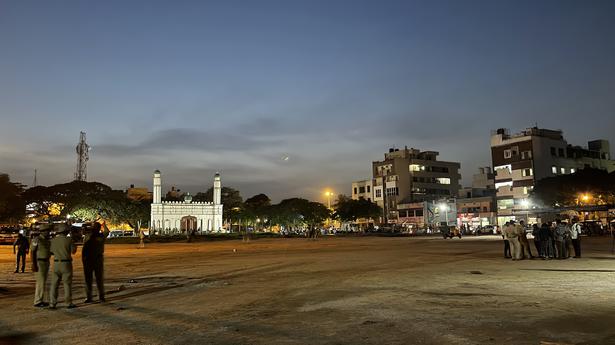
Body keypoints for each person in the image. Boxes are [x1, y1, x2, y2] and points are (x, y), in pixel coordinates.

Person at [49, 223, 77, 309]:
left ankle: (52, 303)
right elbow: (73, 251)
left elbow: (51, 252)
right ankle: (68, 303)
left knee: (54, 284)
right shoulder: (69, 240)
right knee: (67, 284)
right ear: (66, 231)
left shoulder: (53, 240)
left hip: (56, 263)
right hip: (66, 263)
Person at [82, 222, 108, 303]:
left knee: (88, 279)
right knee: (99, 279)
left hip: (89, 259)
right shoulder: (101, 236)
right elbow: (107, 232)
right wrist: (104, 225)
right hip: (97, 259)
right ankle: (101, 296)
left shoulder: (88, 236)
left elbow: (84, 247)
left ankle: (89, 297)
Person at [31, 223, 52, 307]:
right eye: (47, 231)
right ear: (42, 231)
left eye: (49, 231)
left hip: (46, 262)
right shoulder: (36, 240)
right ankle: (38, 301)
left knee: (43, 282)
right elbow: (32, 252)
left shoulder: (47, 240)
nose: (48, 232)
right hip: (39, 262)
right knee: (40, 282)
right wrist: (34, 264)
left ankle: (41, 299)